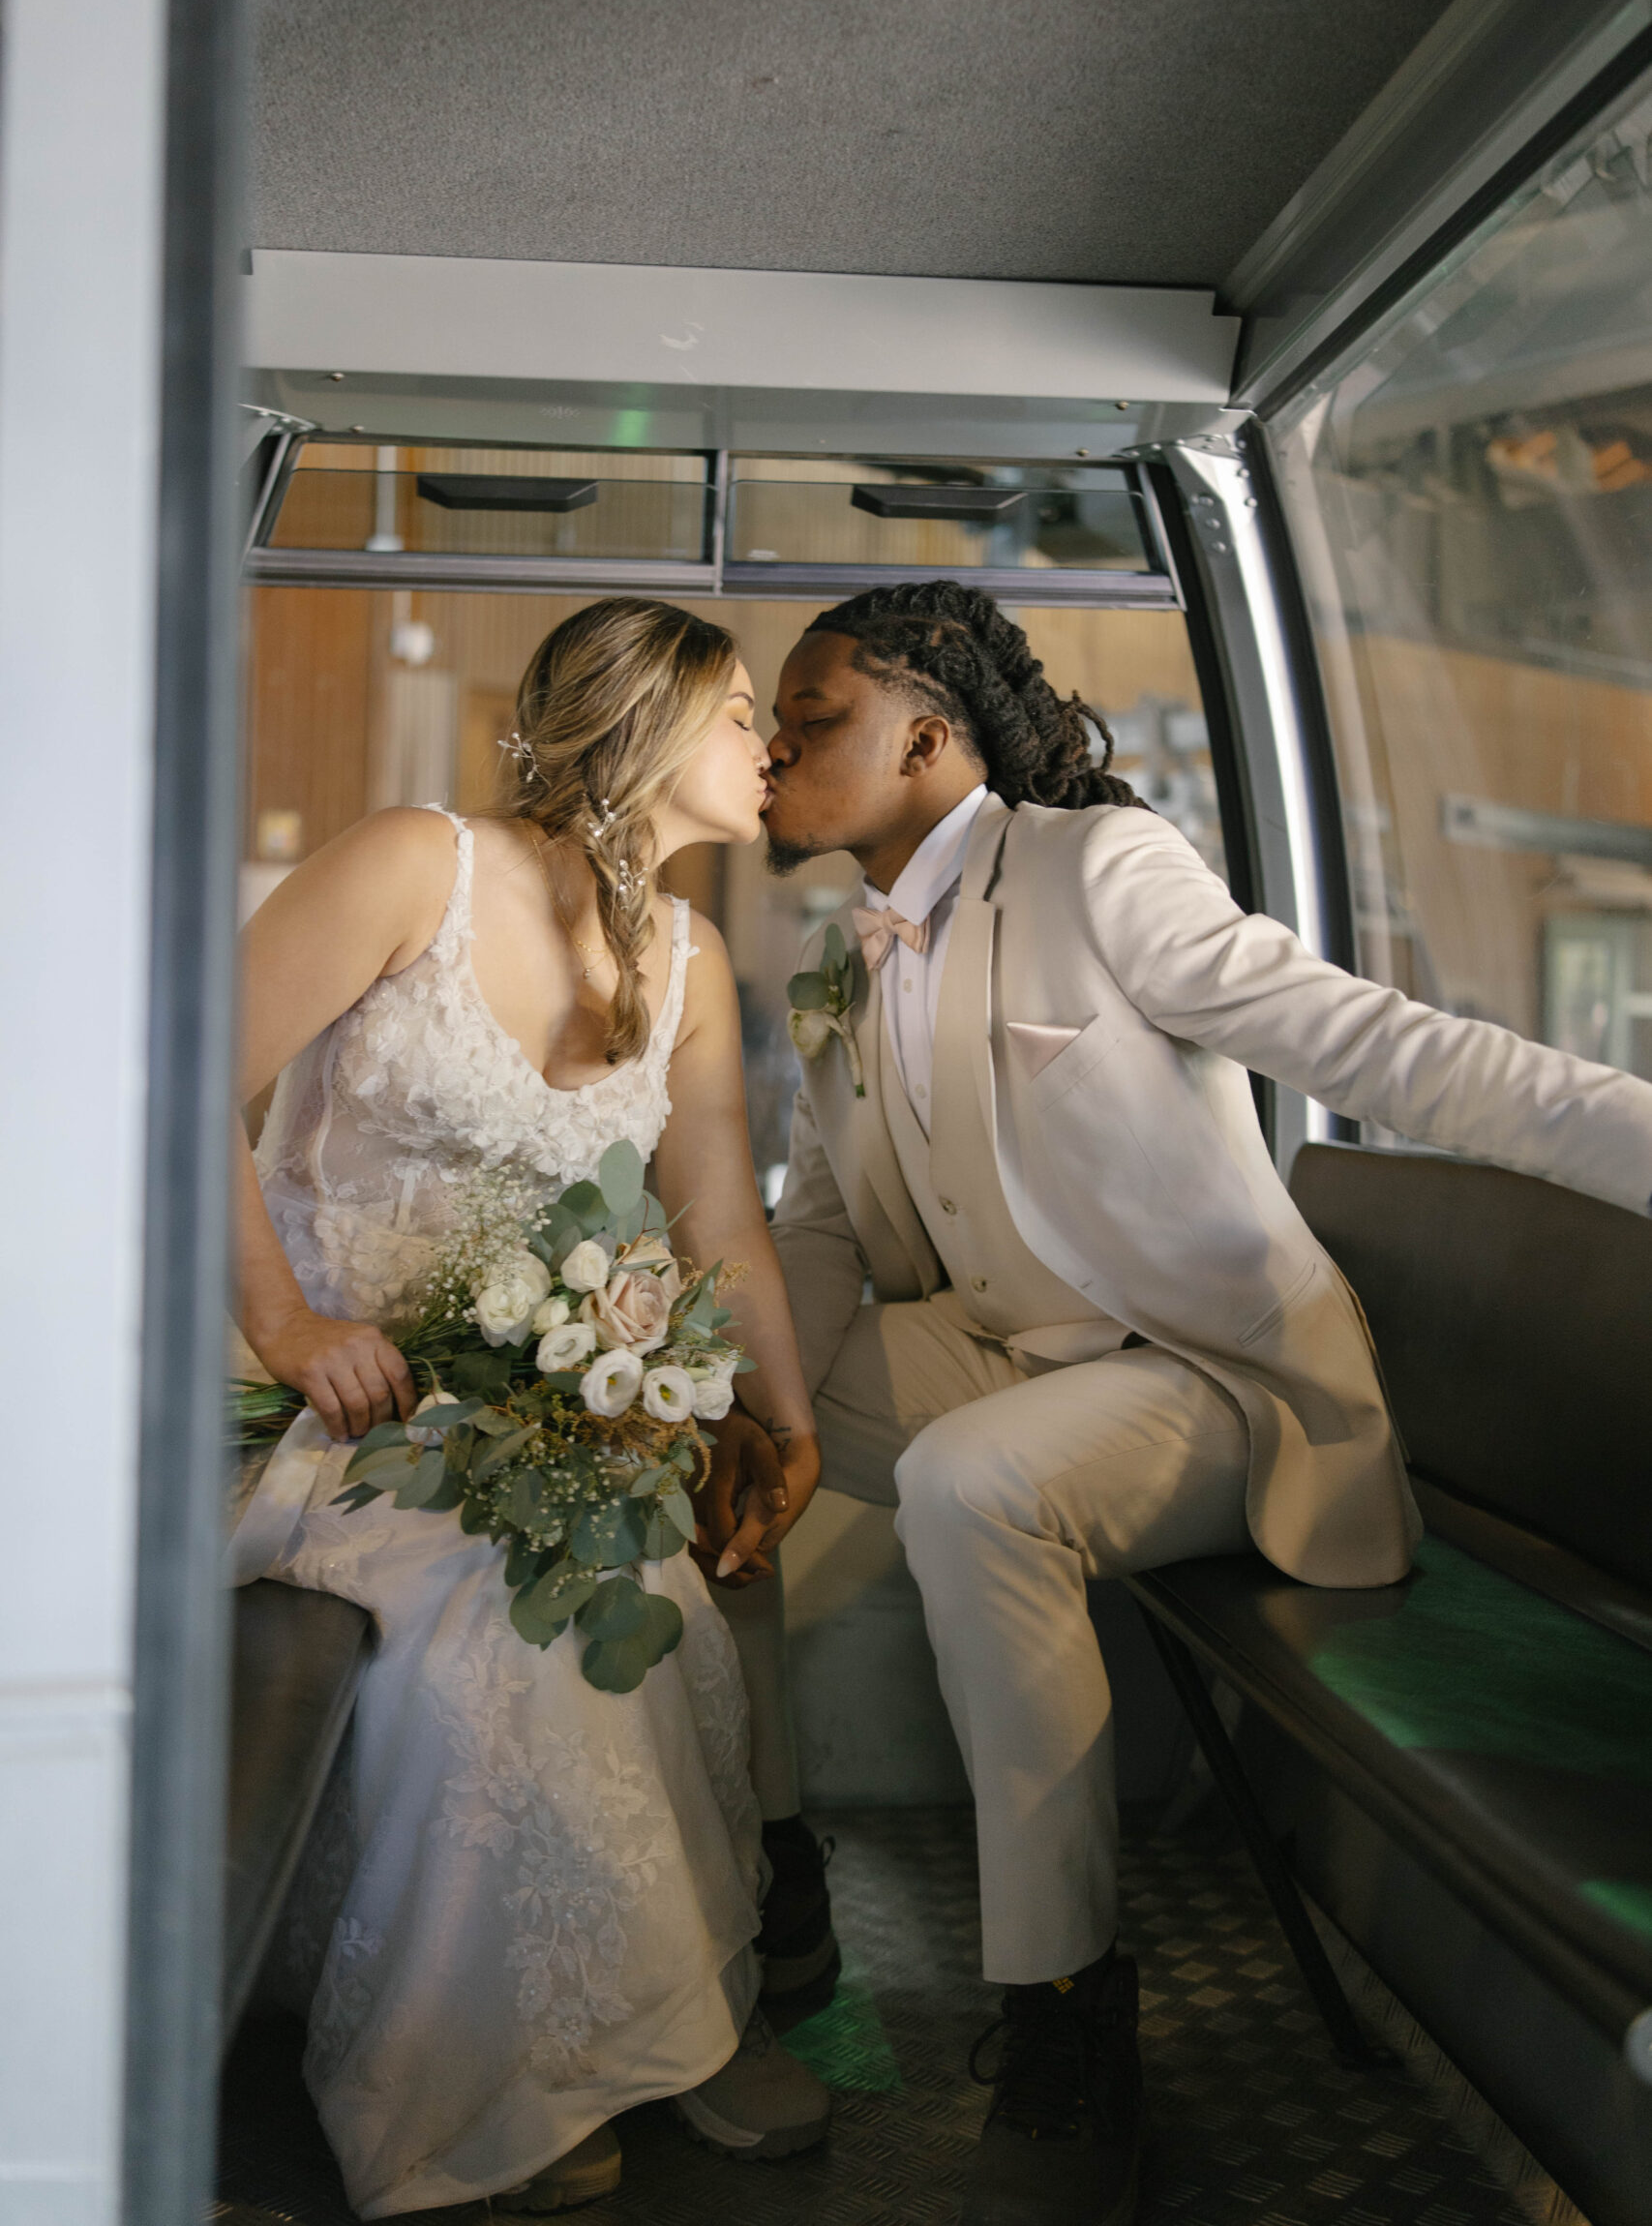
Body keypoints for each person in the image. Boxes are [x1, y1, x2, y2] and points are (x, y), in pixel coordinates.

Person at [718, 578, 1652, 2226]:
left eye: (812, 719)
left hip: (1213, 1379)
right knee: (691, 1426)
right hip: (1002, 1355)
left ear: (929, 740)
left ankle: (1069, 2018)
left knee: (970, 1485)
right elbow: (821, 1232)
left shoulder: (1095, 869)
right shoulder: (833, 960)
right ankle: (778, 1869)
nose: (774, 752)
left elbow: (1382, 1046)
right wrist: (768, 1413)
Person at [228, 598, 828, 2219]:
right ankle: (510, 2071)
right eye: (740, 714)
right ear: (646, 719)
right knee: (509, 1605)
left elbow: (719, 1216)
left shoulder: (690, 960)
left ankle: (651, 2021)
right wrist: (288, 1325)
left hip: (516, 1416)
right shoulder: (412, 863)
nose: (768, 744)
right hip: (335, 1416)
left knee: (633, 1568)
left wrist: (785, 1423)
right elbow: (173, 1068)